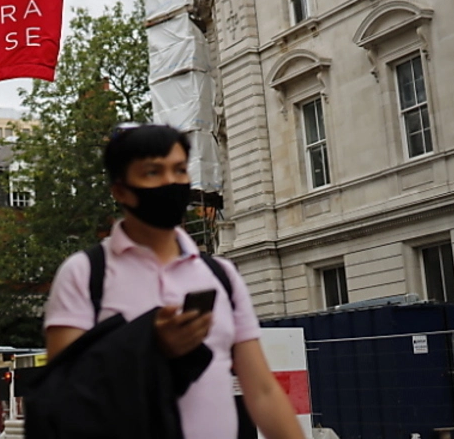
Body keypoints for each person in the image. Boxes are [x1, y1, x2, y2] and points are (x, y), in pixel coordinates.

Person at [43, 123, 306, 439]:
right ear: (120, 191)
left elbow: (262, 391)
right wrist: (150, 346)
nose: (171, 181)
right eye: (153, 172)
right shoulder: (84, 274)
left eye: (180, 170)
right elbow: (64, 392)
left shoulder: (222, 275)